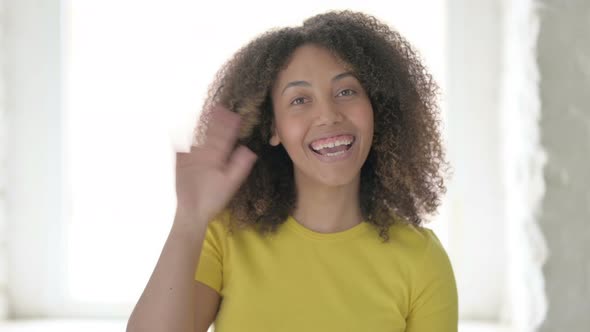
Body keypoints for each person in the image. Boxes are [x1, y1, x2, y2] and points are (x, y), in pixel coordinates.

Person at [127, 10, 458, 332]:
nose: (328, 114)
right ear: (274, 128)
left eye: (346, 92)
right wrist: (189, 219)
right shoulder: (224, 237)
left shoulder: (422, 260)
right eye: (300, 100)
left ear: (377, 111)